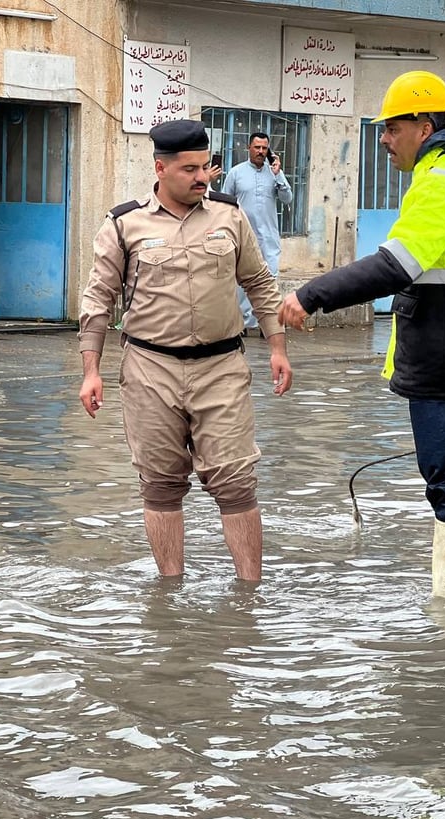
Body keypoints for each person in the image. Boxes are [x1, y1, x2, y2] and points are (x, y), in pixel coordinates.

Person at [278, 71, 445, 602]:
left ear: (424, 127)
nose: (384, 139)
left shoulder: (439, 185)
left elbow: (393, 267)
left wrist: (311, 294)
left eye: (391, 128)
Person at [77, 119, 293, 582]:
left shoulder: (228, 216)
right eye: (190, 169)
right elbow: (98, 301)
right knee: (160, 484)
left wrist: (277, 346)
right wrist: (91, 371)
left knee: (237, 482)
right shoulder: (124, 224)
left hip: (221, 367)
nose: (202, 177)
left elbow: (258, 281)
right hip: (150, 369)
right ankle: (169, 595)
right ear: (161, 168)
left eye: (205, 167)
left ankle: (249, 598)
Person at [221, 132, 293, 332]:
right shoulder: (236, 173)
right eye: (257, 147)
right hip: (242, 235)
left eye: (264, 148)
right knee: (242, 280)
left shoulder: (274, 173)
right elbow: (225, 204)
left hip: (268, 237)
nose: (260, 151)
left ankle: (267, 324)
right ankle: (243, 324)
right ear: (249, 148)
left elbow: (287, 198)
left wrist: (278, 174)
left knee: (269, 281)